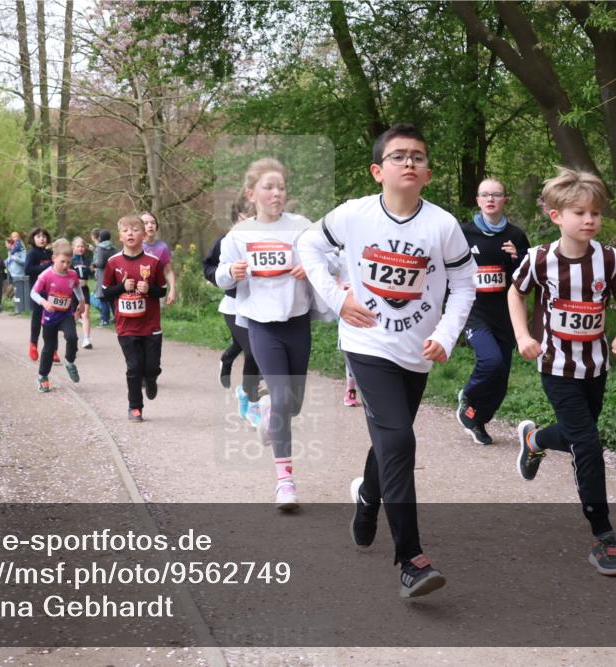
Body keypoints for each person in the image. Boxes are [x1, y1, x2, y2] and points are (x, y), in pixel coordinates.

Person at [299, 123, 477, 598]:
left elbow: (465, 284)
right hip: (366, 344)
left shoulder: (443, 226)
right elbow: (308, 246)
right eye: (398, 156)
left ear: (429, 173)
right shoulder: (353, 215)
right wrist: (338, 299)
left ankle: (367, 497)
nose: (409, 162)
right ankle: (411, 560)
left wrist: (445, 334)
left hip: (416, 352)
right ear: (378, 171)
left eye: (418, 156)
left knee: (389, 439)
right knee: (399, 438)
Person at [508, 167, 616, 577]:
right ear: (556, 216)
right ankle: (604, 536)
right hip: (557, 366)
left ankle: (534, 440)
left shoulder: (611, 260)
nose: (589, 220)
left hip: (596, 366)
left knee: (574, 434)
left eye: (595, 213)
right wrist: (522, 336)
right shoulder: (540, 259)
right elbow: (515, 293)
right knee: (587, 444)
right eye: (580, 212)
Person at [216, 158, 315, 511]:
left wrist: (310, 267)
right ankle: (285, 482)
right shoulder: (239, 235)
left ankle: (271, 407)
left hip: (297, 322)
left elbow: (328, 260)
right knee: (283, 393)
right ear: (251, 194)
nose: (276, 193)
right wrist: (232, 271)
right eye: (269, 187)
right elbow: (220, 276)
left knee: (293, 405)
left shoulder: (302, 227)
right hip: (260, 324)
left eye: (281, 187)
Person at [456, 179, 531, 445]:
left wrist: (517, 259)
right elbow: (446, 266)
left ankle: (476, 419)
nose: (490, 199)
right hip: (475, 311)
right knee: (491, 362)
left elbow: (526, 280)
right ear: (478, 200)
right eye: (485, 194)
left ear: (505, 200)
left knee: (500, 380)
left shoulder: (516, 236)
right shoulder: (463, 233)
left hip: (506, 313)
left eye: (496, 194)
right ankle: (467, 394)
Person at [202, 195, 262, 424]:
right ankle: (253, 403)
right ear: (238, 218)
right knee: (253, 351)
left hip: (262, 307)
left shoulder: (268, 240)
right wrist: (226, 274)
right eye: (250, 217)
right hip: (234, 306)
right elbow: (208, 267)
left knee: (258, 350)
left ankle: (241, 383)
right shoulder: (226, 241)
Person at [102, 215, 168, 422]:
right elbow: (105, 292)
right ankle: (135, 407)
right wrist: (122, 287)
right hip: (126, 325)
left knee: (151, 367)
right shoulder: (113, 262)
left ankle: (152, 379)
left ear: (144, 234)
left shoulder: (153, 262)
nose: (130, 233)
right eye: (125, 230)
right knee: (134, 367)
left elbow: (162, 290)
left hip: (151, 325)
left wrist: (149, 289)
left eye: (135, 229)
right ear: (120, 236)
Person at [29, 238, 86, 392]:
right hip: (50, 316)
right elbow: (33, 293)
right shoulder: (46, 275)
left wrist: (81, 301)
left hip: (66, 314)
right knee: (49, 348)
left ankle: (69, 362)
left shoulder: (72, 274)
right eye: (62, 262)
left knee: (72, 337)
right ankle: (42, 376)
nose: (66, 265)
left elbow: (77, 287)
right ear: (54, 258)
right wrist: (43, 302)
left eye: (69, 262)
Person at [25, 228, 56, 362]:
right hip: (37, 292)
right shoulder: (32, 253)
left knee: (52, 321)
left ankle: (52, 349)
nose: (41, 239)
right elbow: (27, 270)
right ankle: (33, 344)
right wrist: (47, 266)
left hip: (51, 291)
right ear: (33, 239)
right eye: (38, 236)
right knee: (37, 319)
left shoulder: (50, 253)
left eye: (44, 236)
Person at [141, 211, 177, 306]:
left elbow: (168, 271)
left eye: (153, 223)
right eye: (146, 223)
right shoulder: (135, 246)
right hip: (137, 293)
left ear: (156, 226)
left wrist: (172, 290)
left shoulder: (162, 247)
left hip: (156, 292)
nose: (150, 226)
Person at [71, 237, 94, 349]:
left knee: (85, 313)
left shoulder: (87, 261)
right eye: (78, 246)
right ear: (73, 248)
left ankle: (86, 339)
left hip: (84, 290)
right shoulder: (70, 260)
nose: (80, 248)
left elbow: (92, 273)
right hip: (72, 291)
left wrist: (92, 270)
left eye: (82, 246)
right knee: (74, 316)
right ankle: (72, 339)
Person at [92, 229, 117, 326]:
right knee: (112, 299)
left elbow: (100, 263)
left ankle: (104, 320)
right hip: (112, 276)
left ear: (100, 238)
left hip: (102, 276)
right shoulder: (114, 248)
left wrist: (94, 264)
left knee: (103, 299)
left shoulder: (99, 248)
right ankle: (117, 318)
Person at [7, 231, 29, 314]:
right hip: (12, 274)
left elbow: (24, 262)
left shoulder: (22, 250)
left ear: (19, 237)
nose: (14, 238)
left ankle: (20, 309)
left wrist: (15, 258)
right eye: (12, 237)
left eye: (15, 237)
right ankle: (17, 307)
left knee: (18, 292)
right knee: (15, 292)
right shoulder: (12, 250)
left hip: (19, 275)